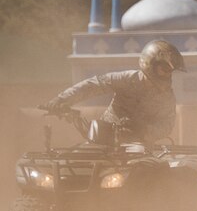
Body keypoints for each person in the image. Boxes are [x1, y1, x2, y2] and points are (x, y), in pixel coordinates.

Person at [42, 40, 185, 144]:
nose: (168, 74)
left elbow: (167, 125)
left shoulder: (167, 96)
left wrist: (143, 129)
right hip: (103, 138)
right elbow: (94, 85)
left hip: (139, 146)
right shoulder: (128, 79)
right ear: (150, 64)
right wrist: (61, 100)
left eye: (170, 71)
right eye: (165, 69)